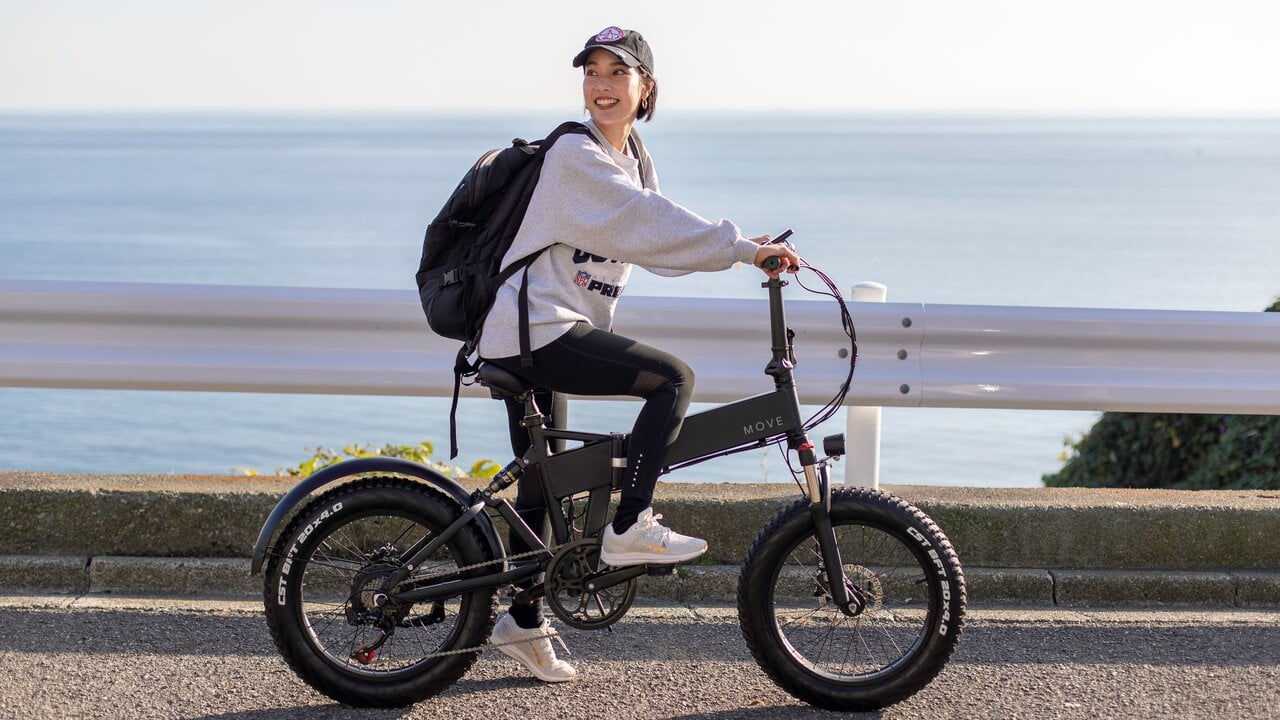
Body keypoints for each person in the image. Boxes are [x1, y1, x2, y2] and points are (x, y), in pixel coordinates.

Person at [482, 26, 799, 683]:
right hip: (535, 329)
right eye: (592, 72)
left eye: (616, 73)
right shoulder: (576, 152)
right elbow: (645, 221)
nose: (601, 85)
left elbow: (656, 241)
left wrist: (740, 251)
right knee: (671, 380)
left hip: (539, 330)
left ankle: (522, 620)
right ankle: (630, 525)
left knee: (544, 482)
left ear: (645, 88)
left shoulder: (633, 159)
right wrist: (743, 250)